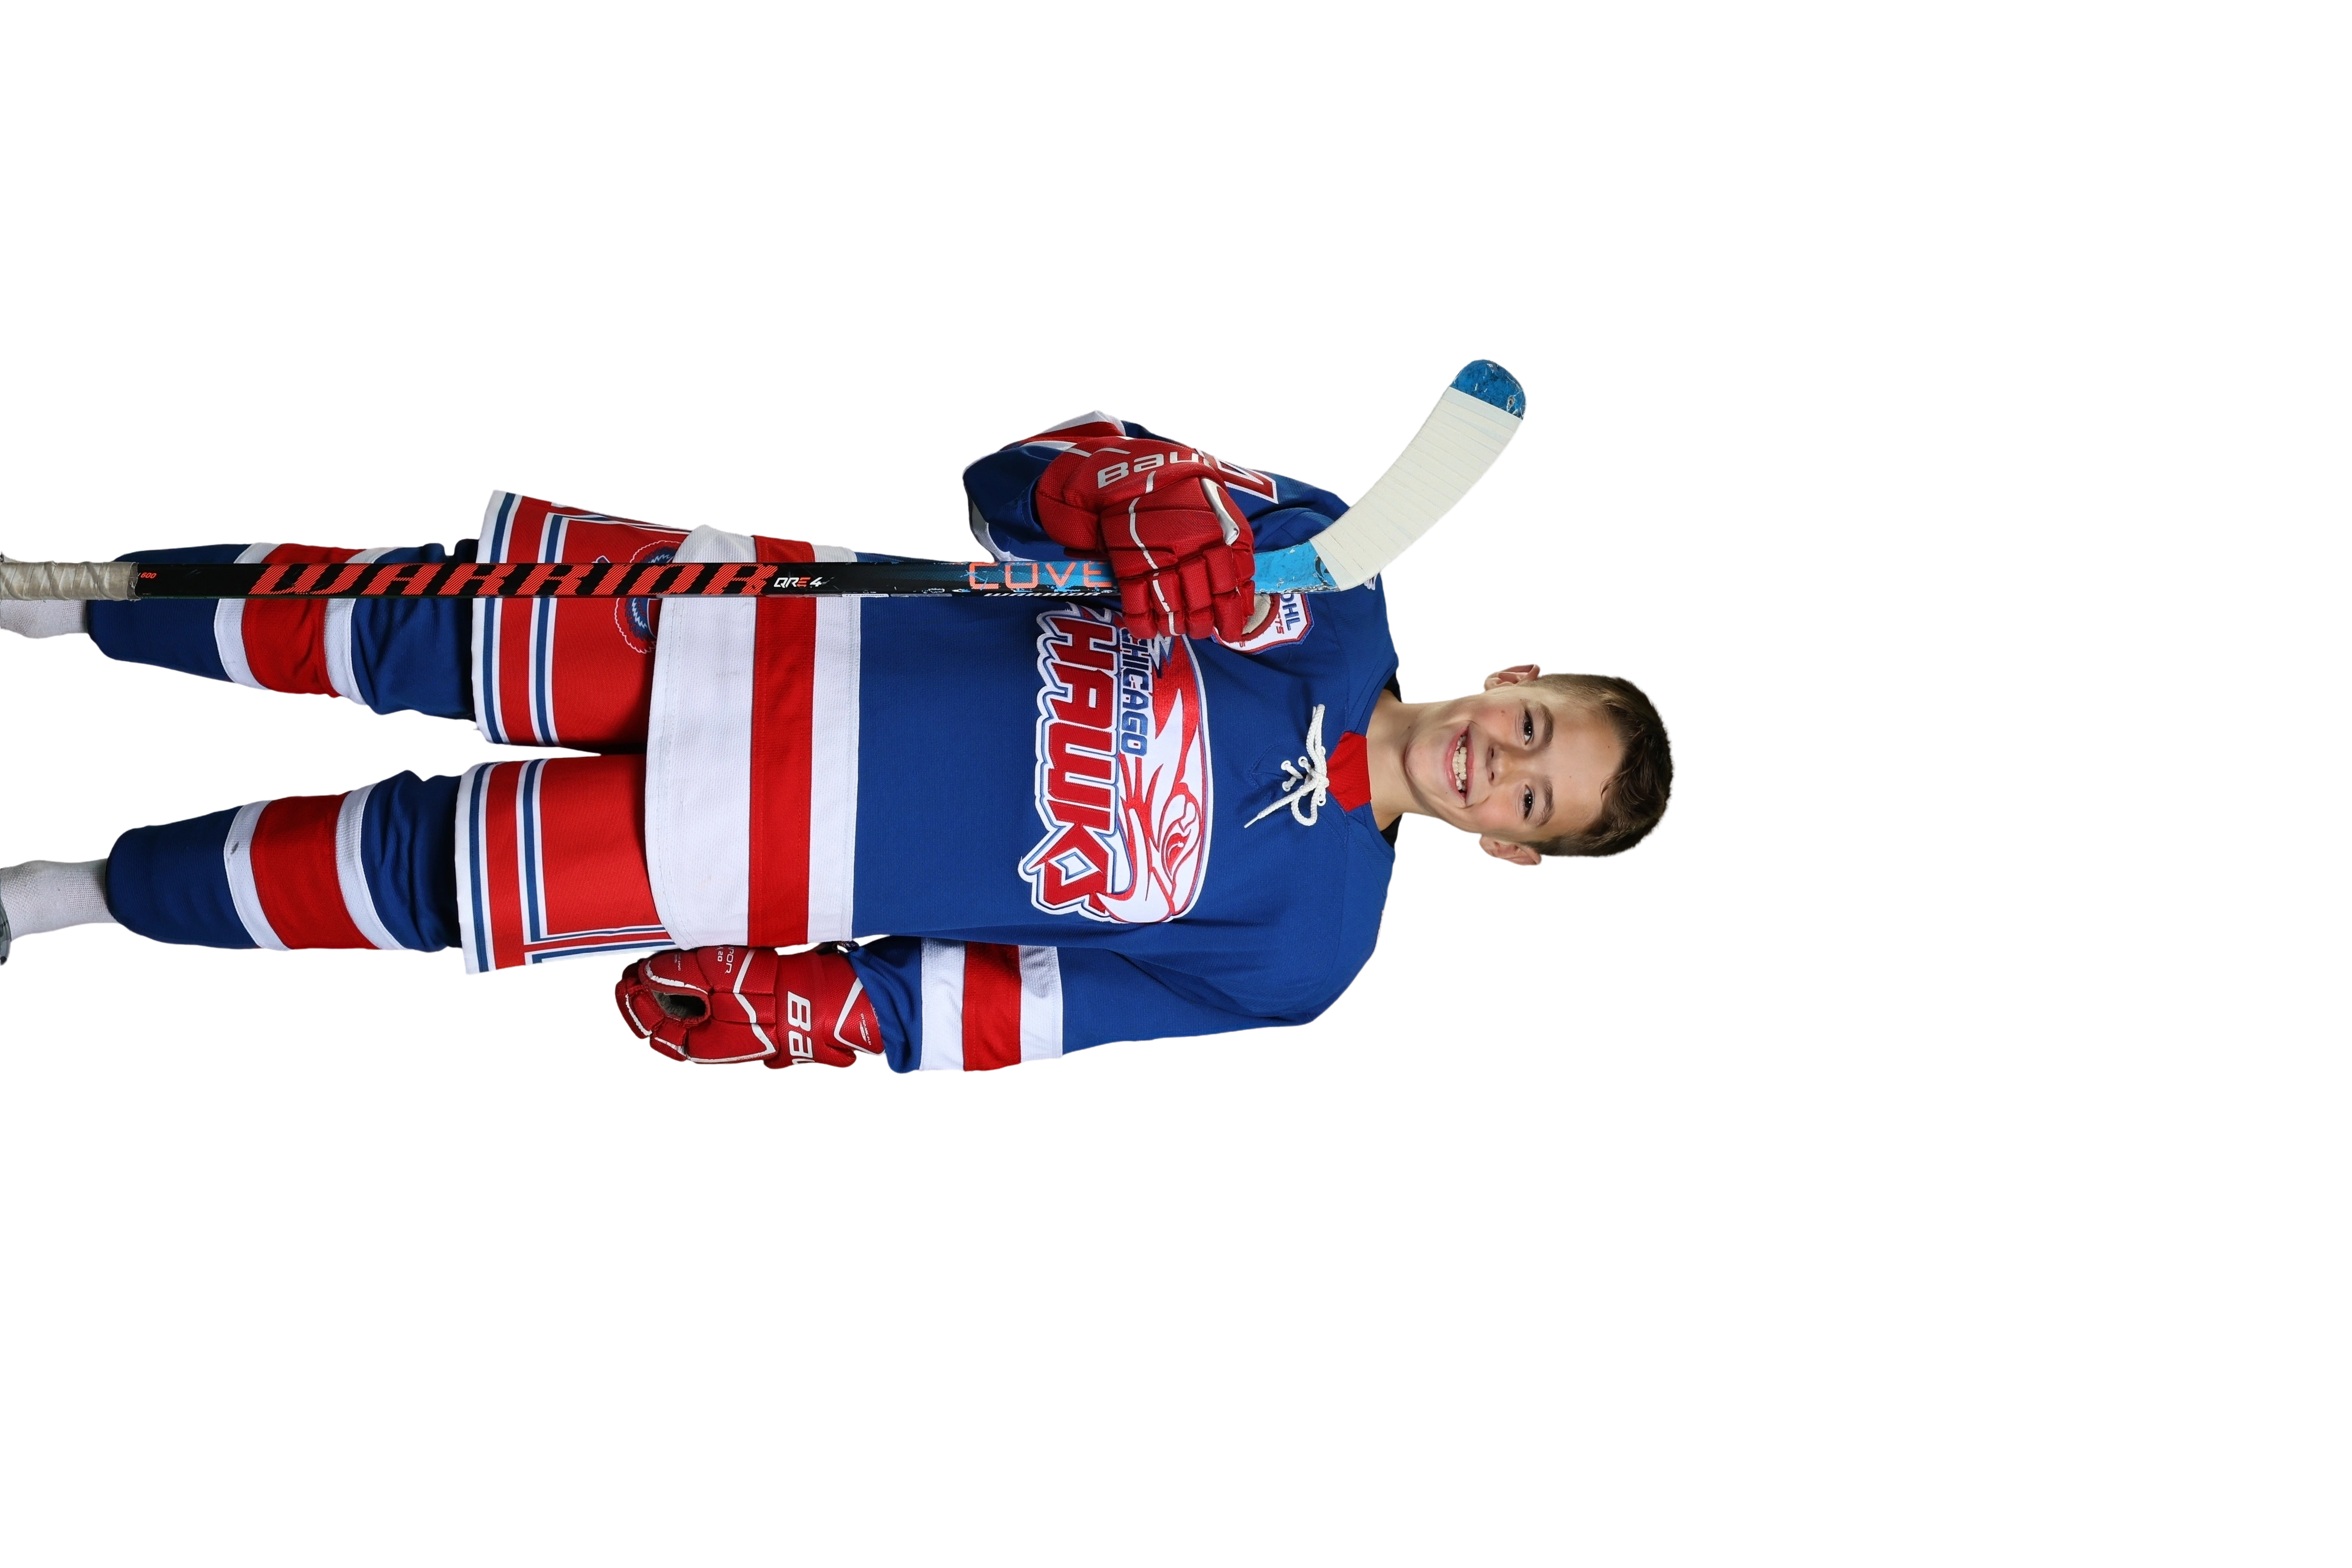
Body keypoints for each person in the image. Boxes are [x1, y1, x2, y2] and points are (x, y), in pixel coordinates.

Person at [0, 414, 1677, 1074]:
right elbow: (1013, 483)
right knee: (394, 620)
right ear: (1516, 675)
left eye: (1534, 797)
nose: (1499, 760)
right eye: (1533, 725)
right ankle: (69, 609)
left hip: (748, 866)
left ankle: (73, 893)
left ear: (1511, 848)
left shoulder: (1309, 950)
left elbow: (1044, 1006)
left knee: (392, 876)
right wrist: (1124, 493)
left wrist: (842, 1016)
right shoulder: (1332, 578)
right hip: (755, 641)